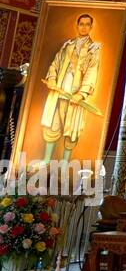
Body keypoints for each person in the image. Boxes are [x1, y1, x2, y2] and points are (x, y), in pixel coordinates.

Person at [39, 12, 101, 162]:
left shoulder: (94, 48)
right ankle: (47, 161)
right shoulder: (67, 46)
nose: (84, 27)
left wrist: (81, 94)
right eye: (81, 24)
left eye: (87, 24)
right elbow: (55, 63)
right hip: (59, 92)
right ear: (77, 25)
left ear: (91, 27)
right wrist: (52, 78)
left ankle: (65, 165)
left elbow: (92, 71)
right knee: (53, 125)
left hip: (75, 95)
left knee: (71, 129)